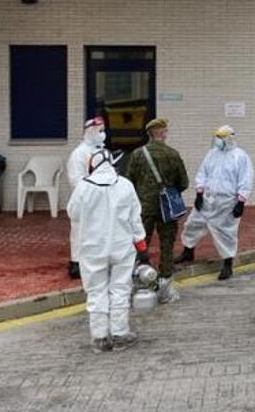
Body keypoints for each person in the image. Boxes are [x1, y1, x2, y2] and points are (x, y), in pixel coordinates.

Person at [67, 148, 147, 353]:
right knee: (120, 289)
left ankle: (100, 337)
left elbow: (73, 213)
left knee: (96, 291)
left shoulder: (83, 187)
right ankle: (120, 333)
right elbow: (135, 218)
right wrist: (141, 245)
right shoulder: (125, 185)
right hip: (121, 246)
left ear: (92, 166)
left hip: (92, 247)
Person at [175, 125, 254, 280]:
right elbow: (202, 173)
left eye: (221, 137)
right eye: (217, 137)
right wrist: (199, 193)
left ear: (229, 138)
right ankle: (188, 251)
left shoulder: (240, 157)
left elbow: (246, 180)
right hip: (207, 199)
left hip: (226, 202)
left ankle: (227, 264)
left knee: (226, 233)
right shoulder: (212, 154)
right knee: (193, 224)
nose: (218, 140)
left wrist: (241, 201)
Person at [122, 118, 187, 303]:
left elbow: (128, 181)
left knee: (140, 244)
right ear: (163, 133)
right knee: (167, 245)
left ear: (149, 134)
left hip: (144, 207)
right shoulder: (173, 154)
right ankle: (165, 288)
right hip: (167, 209)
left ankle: (135, 283)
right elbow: (183, 182)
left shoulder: (137, 154)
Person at [66, 117, 105, 279]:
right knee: (80, 233)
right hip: (84, 201)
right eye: (100, 131)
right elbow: (76, 180)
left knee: (96, 233)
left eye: (103, 130)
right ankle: (77, 263)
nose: (103, 134)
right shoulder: (79, 154)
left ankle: (94, 262)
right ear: (90, 132)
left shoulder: (100, 150)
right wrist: (93, 192)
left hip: (99, 201)